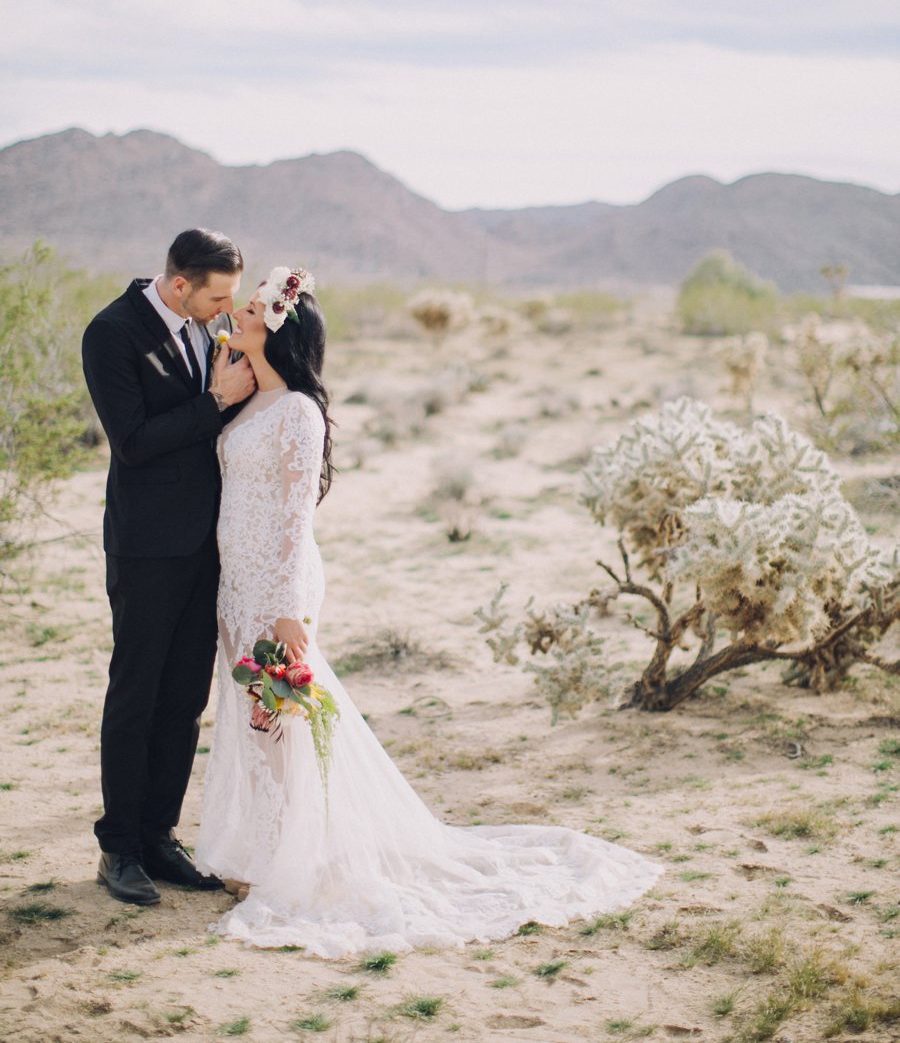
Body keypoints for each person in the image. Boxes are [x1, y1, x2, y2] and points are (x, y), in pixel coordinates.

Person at [196, 265, 662, 956]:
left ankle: (293, 861)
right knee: (252, 718)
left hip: (278, 583)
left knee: (285, 721)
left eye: (257, 312)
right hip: (237, 582)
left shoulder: (297, 410)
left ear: (281, 332)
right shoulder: (243, 403)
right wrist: (219, 379)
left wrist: (289, 607)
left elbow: (295, 518)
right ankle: (261, 849)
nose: (243, 315)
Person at [82, 228, 256, 905]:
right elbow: (132, 442)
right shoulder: (113, 333)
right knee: (137, 693)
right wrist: (213, 402)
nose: (224, 309)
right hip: (147, 546)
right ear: (180, 283)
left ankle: (159, 834)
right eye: (217, 295)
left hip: (207, 546)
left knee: (185, 697)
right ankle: (118, 847)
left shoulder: (207, 329)